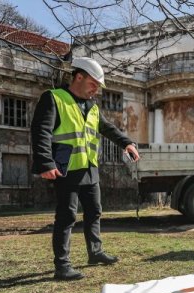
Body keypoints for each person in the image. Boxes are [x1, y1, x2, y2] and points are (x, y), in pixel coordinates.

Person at [31, 57, 140, 280]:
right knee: (66, 216)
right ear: (78, 77)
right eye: (93, 84)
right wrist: (45, 162)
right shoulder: (54, 98)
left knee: (94, 212)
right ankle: (62, 266)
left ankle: (96, 252)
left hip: (90, 168)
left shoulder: (92, 107)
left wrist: (127, 143)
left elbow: (107, 128)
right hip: (66, 168)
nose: (95, 90)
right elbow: (41, 131)